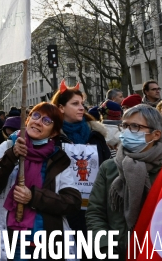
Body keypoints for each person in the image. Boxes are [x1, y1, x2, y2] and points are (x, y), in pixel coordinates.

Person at [0, 102, 82, 260]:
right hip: (11, 243)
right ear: (27, 120)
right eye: (36, 115)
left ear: (54, 133)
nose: (38, 122)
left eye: (47, 121)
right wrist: (11, 156)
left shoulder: (58, 158)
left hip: (47, 245)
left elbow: (72, 202)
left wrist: (34, 197)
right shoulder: (8, 147)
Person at [86, 105, 162, 257]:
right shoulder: (109, 167)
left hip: (157, 253)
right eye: (124, 125)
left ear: (156, 134)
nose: (126, 131)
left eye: (135, 126)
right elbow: (95, 213)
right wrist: (106, 249)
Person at [51, 83, 110, 237]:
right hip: (61, 207)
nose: (81, 108)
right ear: (61, 108)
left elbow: (107, 168)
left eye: (82, 104)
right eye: (75, 104)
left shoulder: (96, 135)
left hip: (94, 207)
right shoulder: (51, 138)